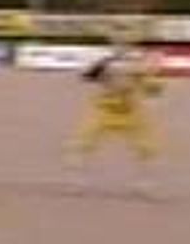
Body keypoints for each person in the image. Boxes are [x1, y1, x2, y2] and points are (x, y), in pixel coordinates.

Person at [67, 25, 165, 186]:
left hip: (130, 111)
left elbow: (151, 85)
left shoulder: (138, 64)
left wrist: (153, 94)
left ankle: (147, 178)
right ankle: (77, 175)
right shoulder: (105, 62)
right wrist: (95, 72)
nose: (121, 46)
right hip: (105, 109)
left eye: (125, 43)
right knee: (84, 140)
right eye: (117, 43)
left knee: (146, 146)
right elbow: (85, 76)